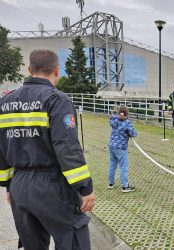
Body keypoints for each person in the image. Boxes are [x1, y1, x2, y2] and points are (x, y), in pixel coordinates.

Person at [0, 49, 94, 249]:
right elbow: (67, 147)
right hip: (52, 185)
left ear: (29, 69)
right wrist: (85, 188)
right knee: (73, 240)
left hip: (20, 186)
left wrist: (9, 185)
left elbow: (2, 148)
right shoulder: (56, 100)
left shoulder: (4, 103)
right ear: (57, 70)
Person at [108, 106, 138, 192]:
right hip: (121, 148)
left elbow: (112, 119)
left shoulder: (114, 120)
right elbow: (134, 134)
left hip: (112, 146)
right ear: (126, 114)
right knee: (123, 167)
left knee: (112, 165)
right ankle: (125, 186)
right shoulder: (127, 123)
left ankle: (111, 183)